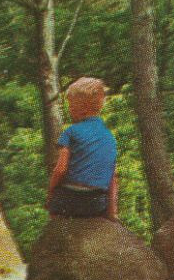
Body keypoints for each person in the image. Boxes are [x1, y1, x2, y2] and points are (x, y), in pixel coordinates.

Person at [46, 77, 119, 220]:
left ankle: (57, 230)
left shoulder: (71, 132)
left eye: (71, 105)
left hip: (70, 200)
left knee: (55, 210)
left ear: (81, 108)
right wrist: (112, 212)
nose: (69, 109)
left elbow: (60, 169)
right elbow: (113, 177)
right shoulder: (109, 137)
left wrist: (51, 194)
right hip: (96, 203)